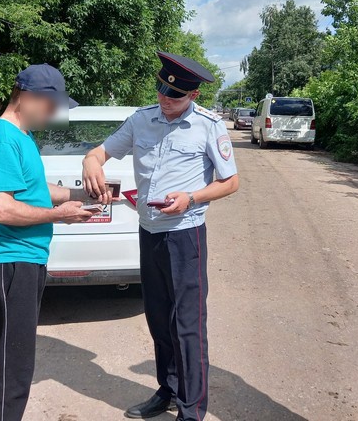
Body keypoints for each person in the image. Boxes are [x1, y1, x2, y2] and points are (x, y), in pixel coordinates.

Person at [82, 52, 240, 421]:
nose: (165, 99)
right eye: (161, 89)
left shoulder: (209, 126)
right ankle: (167, 390)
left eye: (175, 95)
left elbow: (231, 182)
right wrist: (92, 161)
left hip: (185, 237)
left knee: (188, 325)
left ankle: (191, 410)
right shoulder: (141, 120)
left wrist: (192, 198)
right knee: (157, 318)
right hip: (149, 232)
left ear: (194, 95)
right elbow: (102, 151)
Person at [0, 64, 108, 421]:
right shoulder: (2, 139)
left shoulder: (20, 138)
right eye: (50, 106)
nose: (53, 115)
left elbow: (33, 191)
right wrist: (59, 216)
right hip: (7, 264)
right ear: (28, 97)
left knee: (15, 363)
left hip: (22, 262)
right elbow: (1, 209)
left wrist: (78, 195)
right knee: (9, 370)